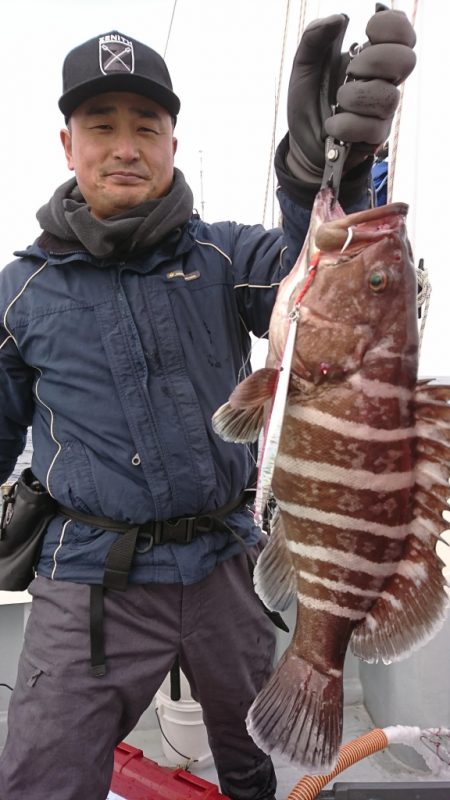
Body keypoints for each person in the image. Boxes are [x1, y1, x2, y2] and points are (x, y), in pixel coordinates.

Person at [0, 11, 416, 800]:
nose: (125, 145)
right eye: (102, 124)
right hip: (87, 578)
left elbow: (316, 266)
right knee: (39, 778)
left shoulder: (226, 256)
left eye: (146, 126)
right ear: (67, 144)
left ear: (171, 144)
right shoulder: (19, 292)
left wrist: (324, 176)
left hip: (226, 565)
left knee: (264, 769)